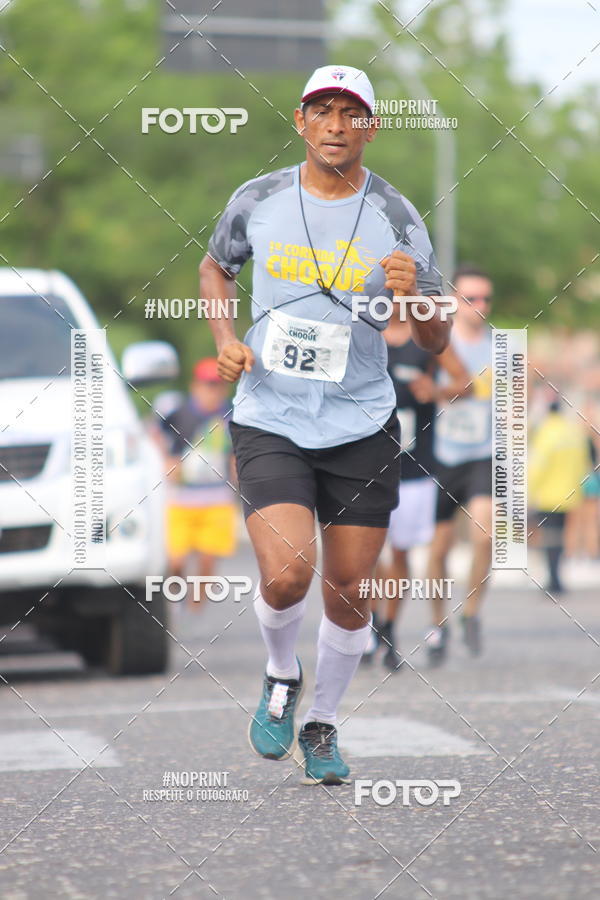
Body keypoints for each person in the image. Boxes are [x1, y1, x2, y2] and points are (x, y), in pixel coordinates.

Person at [199, 64, 451, 784]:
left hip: (361, 421)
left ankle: (323, 723)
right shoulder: (260, 199)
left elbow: (435, 340)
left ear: (371, 126)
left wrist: (418, 302)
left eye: (352, 113)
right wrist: (224, 339)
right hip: (271, 415)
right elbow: (217, 269)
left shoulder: (397, 218)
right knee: (286, 576)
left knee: (348, 590)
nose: (337, 124)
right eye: (323, 110)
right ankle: (282, 674)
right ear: (301, 121)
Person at [364, 312, 471, 671]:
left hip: (413, 467)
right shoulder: (362, 333)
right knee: (362, 554)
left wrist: (438, 390)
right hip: (361, 464)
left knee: (398, 553)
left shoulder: (425, 337)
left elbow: (465, 382)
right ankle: (368, 624)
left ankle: (387, 629)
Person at [425, 264, 494, 664]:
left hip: (482, 454)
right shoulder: (437, 341)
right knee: (438, 549)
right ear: (453, 300)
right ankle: (438, 623)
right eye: (471, 298)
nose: (480, 306)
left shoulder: (500, 346)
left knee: (485, 537)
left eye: (485, 298)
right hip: (441, 455)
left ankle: (471, 613)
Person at [160, 358, 237, 609]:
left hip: (216, 500)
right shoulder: (179, 412)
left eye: (217, 385)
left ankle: (192, 615)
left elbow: (235, 453)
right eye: (207, 384)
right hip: (182, 501)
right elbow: (159, 435)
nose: (212, 391)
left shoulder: (231, 415)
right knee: (176, 560)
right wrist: (168, 464)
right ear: (195, 385)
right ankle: (175, 597)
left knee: (207, 561)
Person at [528, 397, 592, 593]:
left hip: (548, 494)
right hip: (570, 493)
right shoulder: (574, 432)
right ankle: (556, 577)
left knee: (549, 537)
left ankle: (553, 578)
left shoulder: (546, 433)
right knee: (561, 536)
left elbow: (538, 465)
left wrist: (529, 490)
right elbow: (584, 463)